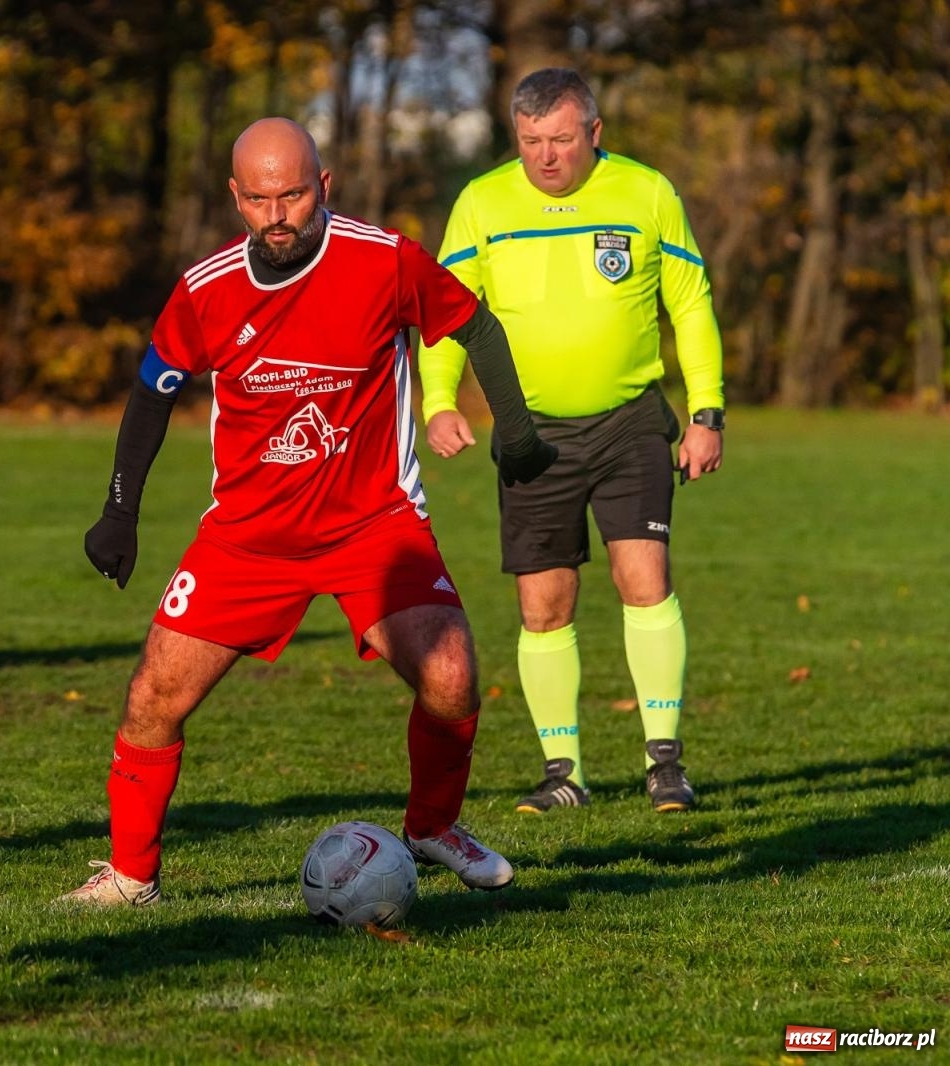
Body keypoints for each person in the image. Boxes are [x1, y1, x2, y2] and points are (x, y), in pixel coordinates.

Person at [64, 117, 557, 907]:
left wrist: (521, 432)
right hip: (249, 539)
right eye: (259, 198)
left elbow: (474, 323)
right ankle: (130, 877)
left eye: (293, 193)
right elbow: (152, 392)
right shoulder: (204, 289)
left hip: (375, 526)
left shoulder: (382, 259)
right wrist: (119, 512)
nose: (278, 214)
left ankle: (432, 827)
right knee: (154, 696)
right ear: (236, 198)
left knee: (453, 678)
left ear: (323, 186)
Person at [418, 68, 725, 815]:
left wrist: (706, 411)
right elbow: (446, 314)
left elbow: (690, 303)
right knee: (543, 605)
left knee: (643, 578)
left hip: (629, 422)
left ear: (594, 132)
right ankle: (565, 774)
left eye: (560, 139)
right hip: (531, 436)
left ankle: (664, 766)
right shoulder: (482, 203)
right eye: (530, 143)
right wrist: (437, 402)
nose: (545, 157)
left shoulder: (646, 193)